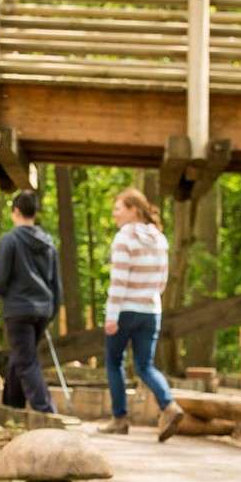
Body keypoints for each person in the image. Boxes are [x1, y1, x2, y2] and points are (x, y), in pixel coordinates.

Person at [98, 187, 185, 442]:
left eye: (118, 209)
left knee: (114, 363)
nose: (114, 214)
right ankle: (169, 405)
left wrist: (111, 316)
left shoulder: (124, 239)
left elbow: (119, 281)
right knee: (145, 365)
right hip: (150, 310)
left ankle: (120, 419)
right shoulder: (159, 239)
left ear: (133, 210)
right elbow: (162, 282)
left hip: (125, 310)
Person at [0, 190, 63, 414]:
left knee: (26, 361)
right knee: (21, 354)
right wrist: (52, 310)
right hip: (43, 309)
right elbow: (56, 282)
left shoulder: (11, 240)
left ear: (16, 211)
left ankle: (46, 410)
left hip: (19, 310)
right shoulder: (48, 243)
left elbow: (0, 278)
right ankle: (12, 404)